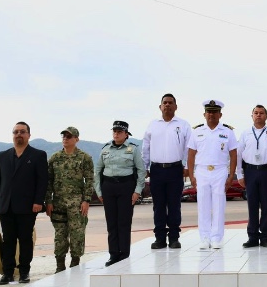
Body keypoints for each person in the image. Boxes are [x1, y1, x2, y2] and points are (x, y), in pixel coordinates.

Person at [0, 122, 49, 285]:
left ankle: (24, 272)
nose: (19, 134)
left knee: (25, 240)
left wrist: (38, 201)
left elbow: (42, 181)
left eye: (22, 132)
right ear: (12, 135)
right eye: (16, 132)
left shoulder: (38, 155)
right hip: (5, 206)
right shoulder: (3, 155)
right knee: (8, 240)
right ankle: (7, 273)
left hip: (28, 207)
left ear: (29, 135)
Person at [142, 93, 192, 249]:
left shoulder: (183, 125)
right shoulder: (152, 125)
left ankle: (174, 238)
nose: (167, 105)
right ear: (160, 106)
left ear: (176, 106)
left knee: (174, 204)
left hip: (175, 170)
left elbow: (188, 147)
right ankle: (160, 238)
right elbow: (146, 147)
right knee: (158, 205)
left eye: (171, 103)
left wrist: (187, 167)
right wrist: (145, 167)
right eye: (165, 103)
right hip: (157, 170)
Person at [187, 99, 238, 249]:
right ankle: (204, 237)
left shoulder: (227, 132)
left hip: (220, 171)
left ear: (220, 114)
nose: (211, 114)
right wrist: (191, 175)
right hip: (202, 171)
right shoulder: (197, 131)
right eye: (209, 112)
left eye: (214, 112)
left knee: (218, 205)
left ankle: (216, 237)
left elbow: (234, 155)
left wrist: (231, 176)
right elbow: (190, 154)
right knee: (203, 205)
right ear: (204, 114)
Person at [95, 121, 146, 267]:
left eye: (119, 131)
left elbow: (141, 170)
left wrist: (137, 191)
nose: (116, 134)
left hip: (126, 186)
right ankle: (113, 254)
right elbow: (97, 171)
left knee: (124, 222)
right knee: (111, 223)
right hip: (108, 187)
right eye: (114, 131)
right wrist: (99, 191)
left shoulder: (133, 149)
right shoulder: (105, 149)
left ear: (126, 134)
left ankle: (124, 254)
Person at [45, 127, 94, 273]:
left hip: (77, 204)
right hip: (58, 204)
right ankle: (60, 266)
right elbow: (48, 181)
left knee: (77, 234)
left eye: (69, 136)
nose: (65, 138)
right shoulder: (55, 158)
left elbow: (90, 180)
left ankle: (75, 263)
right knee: (60, 235)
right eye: (63, 136)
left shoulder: (84, 158)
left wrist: (86, 200)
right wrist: (48, 201)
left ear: (76, 139)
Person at [236, 105, 267, 248]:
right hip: (250, 171)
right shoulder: (245, 134)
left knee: (266, 205)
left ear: (266, 116)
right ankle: (252, 237)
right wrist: (240, 174)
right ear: (252, 116)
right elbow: (239, 155)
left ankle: (265, 237)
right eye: (256, 113)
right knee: (252, 205)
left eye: (261, 113)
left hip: (266, 171)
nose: (258, 115)